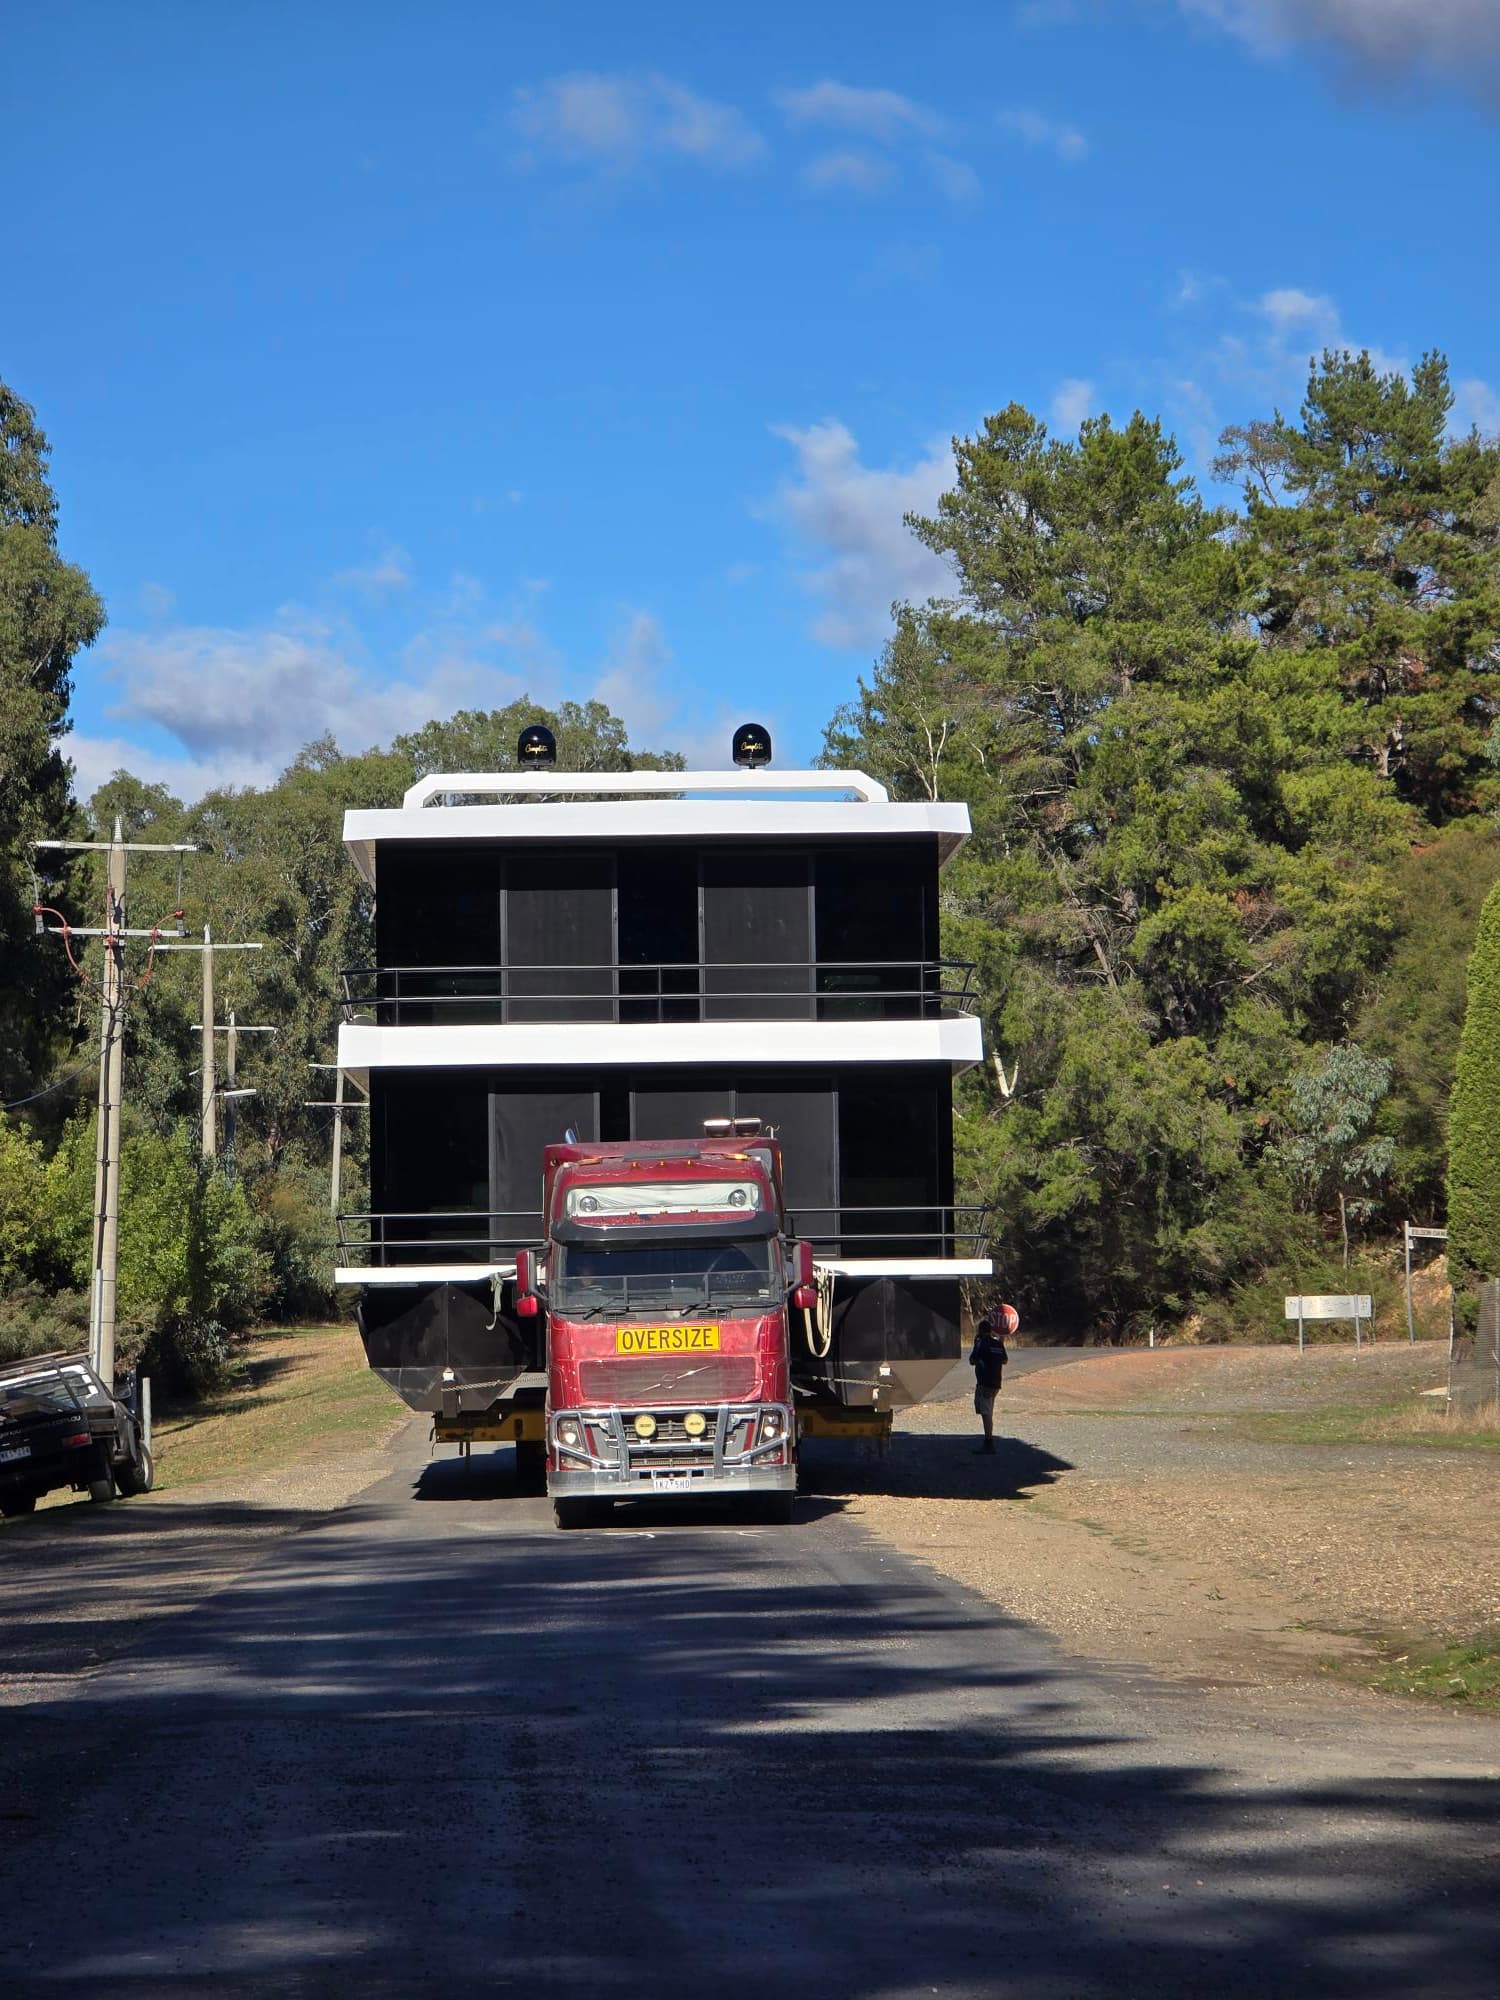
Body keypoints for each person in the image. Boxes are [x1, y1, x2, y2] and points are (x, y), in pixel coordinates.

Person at [969, 1303, 1017, 1454]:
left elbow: (972, 1360)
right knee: (989, 1411)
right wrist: (1000, 1342)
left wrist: (977, 1345)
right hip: (996, 1383)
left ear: (980, 1331)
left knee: (985, 1413)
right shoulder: (997, 1344)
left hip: (984, 1383)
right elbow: (1004, 1360)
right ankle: (988, 1440)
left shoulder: (981, 1343)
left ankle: (988, 1442)